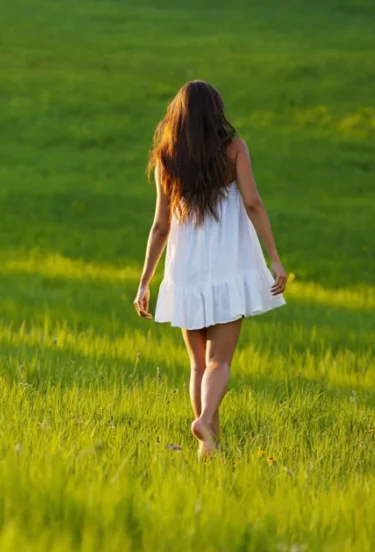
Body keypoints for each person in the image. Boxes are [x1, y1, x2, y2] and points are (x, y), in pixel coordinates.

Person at [133, 80, 287, 458]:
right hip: (228, 264)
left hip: (186, 268)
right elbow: (253, 204)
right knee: (220, 360)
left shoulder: (168, 157)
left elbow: (160, 226)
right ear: (216, 111)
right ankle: (204, 422)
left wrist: (144, 282)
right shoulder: (234, 149)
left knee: (197, 365)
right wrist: (274, 258)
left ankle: (209, 447)